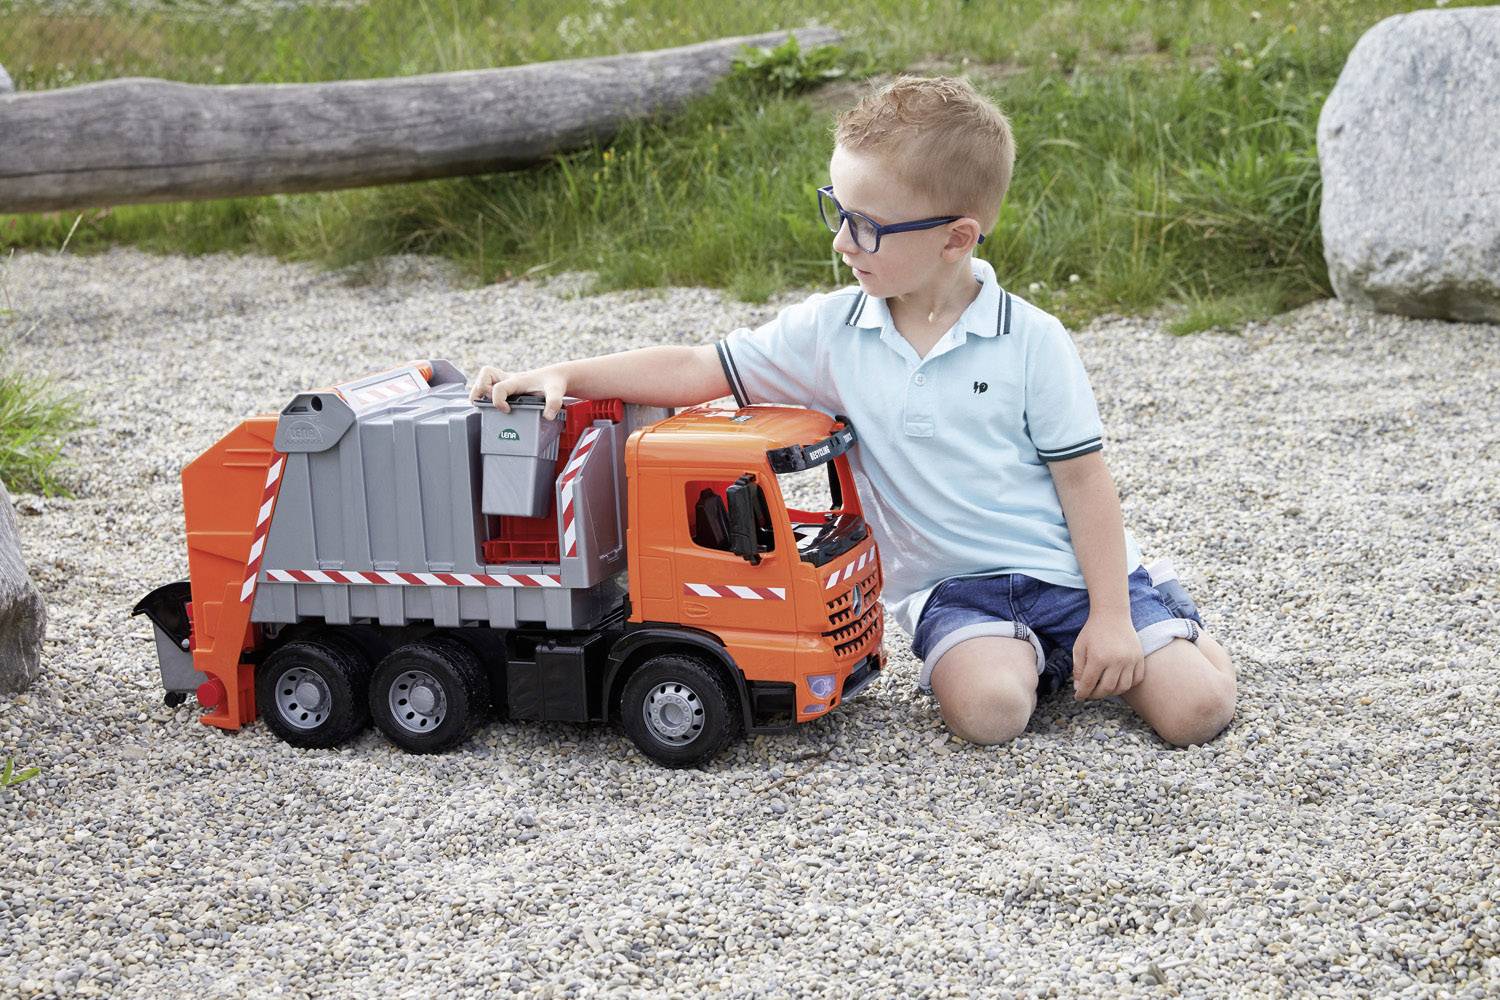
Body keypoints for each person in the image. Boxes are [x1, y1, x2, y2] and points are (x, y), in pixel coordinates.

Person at [470, 75, 1236, 747]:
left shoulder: (1033, 340)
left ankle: (1160, 609)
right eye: (837, 208)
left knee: (1197, 712)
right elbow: (699, 368)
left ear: (955, 239)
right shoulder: (834, 331)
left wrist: (1109, 614)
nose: (841, 240)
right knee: (992, 714)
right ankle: (1040, 655)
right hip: (957, 589)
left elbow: (1084, 483)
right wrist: (565, 370)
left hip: (1071, 570)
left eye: (865, 224)